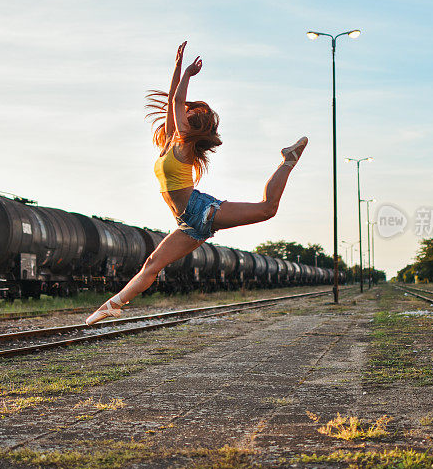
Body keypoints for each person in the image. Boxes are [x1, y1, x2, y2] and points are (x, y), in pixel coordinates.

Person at [86, 41, 308, 325]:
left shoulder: (185, 148)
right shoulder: (170, 142)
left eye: (188, 116)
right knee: (152, 264)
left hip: (202, 211)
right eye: (186, 113)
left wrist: (188, 74)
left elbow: (177, 102)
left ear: (192, 127)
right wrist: (177, 67)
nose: (183, 114)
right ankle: (112, 305)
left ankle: (287, 161)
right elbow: (172, 102)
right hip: (188, 223)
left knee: (267, 209)